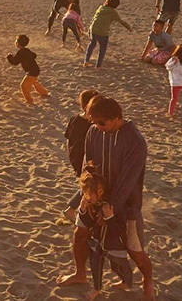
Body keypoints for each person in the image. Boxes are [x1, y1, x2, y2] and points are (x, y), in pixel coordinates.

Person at [57, 95, 154, 301]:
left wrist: (109, 208)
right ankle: (80, 274)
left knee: (134, 249)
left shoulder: (135, 142)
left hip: (125, 206)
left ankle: (148, 281)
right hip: (93, 198)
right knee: (80, 234)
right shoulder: (93, 132)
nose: (97, 126)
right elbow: (87, 167)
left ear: (116, 117)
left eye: (101, 122)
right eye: (94, 122)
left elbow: (127, 181)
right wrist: (87, 196)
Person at [77, 164, 134, 301]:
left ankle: (127, 282)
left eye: (88, 193)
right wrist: (83, 210)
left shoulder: (113, 206)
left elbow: (120, 231)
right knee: (95, 264)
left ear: (100, 191)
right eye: (84, 193)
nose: (86, 197)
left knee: (117, 266)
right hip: (96, 242)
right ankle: (96, 289)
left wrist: (109, 217)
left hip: (114, 245)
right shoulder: (93, 204)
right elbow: (90, 224)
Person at [63, 89, 99, 220]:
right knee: (89, 185)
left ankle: (71, 209)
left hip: (75, 156)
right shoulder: (92, 125)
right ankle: (71, 209)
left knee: (88, 183)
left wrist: (71, 155)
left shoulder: (75, 119)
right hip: (84, 159)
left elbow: (68, 139)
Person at [84, 0, 132, 69]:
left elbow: (94, 18)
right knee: (102, 48)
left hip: (93, 29)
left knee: (92, 44)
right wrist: (129, 28)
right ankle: (98, 66)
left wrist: (90, 30)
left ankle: (86, 61)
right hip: (103, 32)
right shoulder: (113, 12)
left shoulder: (101, 8)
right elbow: (120, 21)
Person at [6, 34, 49, 104]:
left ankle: (29, 100)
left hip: (31, 72)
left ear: (17, 43)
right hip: (36, 69)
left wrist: (9, 57)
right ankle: (44, 93)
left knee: (23, 86)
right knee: (34, 82)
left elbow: (15, 62)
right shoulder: (27, 50)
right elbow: (34, 55)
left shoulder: (20, 52)